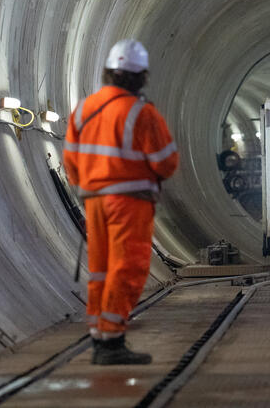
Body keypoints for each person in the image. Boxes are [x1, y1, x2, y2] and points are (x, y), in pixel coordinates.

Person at [62, 39, 179, 365]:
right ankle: (112, 340)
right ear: (141, 76)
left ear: (107, 72)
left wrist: (89, 186)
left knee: (100, 270)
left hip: (94, 201)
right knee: (128, 267)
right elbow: (166, 163)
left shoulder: (84, 109)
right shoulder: (142, 113)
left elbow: (70, 160)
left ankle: (100, 337)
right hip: (129, 203)